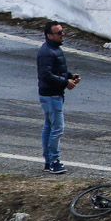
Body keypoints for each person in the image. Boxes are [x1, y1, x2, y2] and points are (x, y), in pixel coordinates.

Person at [37, 20, 80, 173]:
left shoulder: (53, 49)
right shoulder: (47, 52)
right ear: (49, 35)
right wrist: (65, 82)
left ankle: (49, 161)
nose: (63, 35)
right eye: (59, 33)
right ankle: (54, 161)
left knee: (49, 127)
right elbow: (46, 75)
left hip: (52, 94)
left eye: (62, 31)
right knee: (57, 129)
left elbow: (55, 71)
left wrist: (69, 76)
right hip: (51, 96)